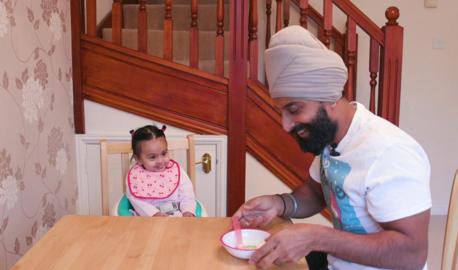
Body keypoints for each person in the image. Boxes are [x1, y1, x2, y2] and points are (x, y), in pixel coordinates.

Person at [233, 25, 431, 270]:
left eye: (294, 109)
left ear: (329, 99)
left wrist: (316, 237)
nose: (285, 125)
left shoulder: (389, 151)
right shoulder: (331, 139)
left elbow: (412, 254)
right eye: (282, 111)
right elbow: (316, 193)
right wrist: (279, 203)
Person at [126, 125, 196, 217]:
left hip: (178, 217)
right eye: (152, 157)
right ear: (138, 158)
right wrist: (155, 214)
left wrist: (187, 211)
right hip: (148, 220)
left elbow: (187, 194)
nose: (160, 161)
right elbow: (137, 201)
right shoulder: (136, 176)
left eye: (164, 153)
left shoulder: (175, 170)